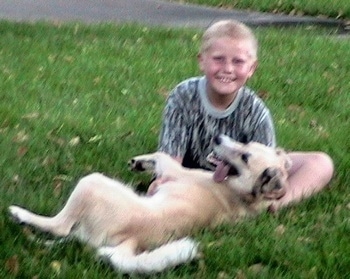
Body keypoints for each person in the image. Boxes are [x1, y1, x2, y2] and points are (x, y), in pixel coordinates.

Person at [157, 19, 334, 211]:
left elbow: (265, 171)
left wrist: (272, 188)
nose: (228, 68)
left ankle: (276, 206)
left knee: (321, 163)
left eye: (238, 61)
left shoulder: (256, 111)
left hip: (240, 185)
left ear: (251, 68)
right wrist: (165, 182)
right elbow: (170, 163)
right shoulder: (183, 96)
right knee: (160, 186)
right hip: (193, 179)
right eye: (218, 59)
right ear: (202, 61)